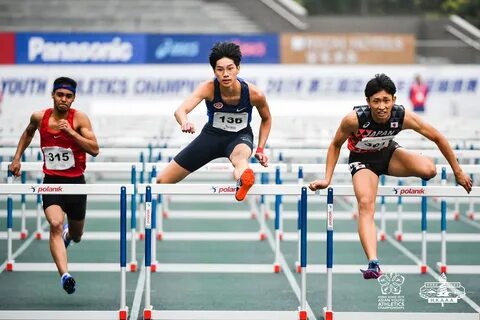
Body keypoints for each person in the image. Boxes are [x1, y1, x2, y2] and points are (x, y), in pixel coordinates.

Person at [308, 73, 472, 280]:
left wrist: (458, 171)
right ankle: (373, 262)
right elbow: (335, 145)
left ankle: (415, 159)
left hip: (389, 154)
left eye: (386, 100)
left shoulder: (401, 116)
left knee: (429, 170)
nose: (382, 106)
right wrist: (327, 178)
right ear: (368, 102)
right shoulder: (354, 120)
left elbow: (437, 137)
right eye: (376, 101)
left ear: (394, 99)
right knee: (366, 204)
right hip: (362, 161)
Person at [8, 77, 99, 293]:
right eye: (60, 95)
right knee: (55, 223)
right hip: (52, 181)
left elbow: (94, 149)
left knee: (77, 235)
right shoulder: (39, 117)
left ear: (73, 99)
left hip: (76, 183)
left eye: (68, 96)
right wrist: (17, 158)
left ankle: (70, 235)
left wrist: (71, 133)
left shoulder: (80, 120)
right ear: (53, 95)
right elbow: (28, 133)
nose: (63, 100)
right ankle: (65, 275)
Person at [156, 41, 271, 201]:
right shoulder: (208, 88)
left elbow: (266, 119)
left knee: (240, 159)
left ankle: (243, 181)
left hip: (240, 136)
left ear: (238, 68)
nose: (225, 74)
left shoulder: (255, 94)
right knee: (161, 181)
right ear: (214, 71)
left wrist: (260, 149)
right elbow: (180, 111)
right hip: (211, 137)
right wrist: (184, 122)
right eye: (220, 69)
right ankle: (242, 178)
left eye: (230, 68)